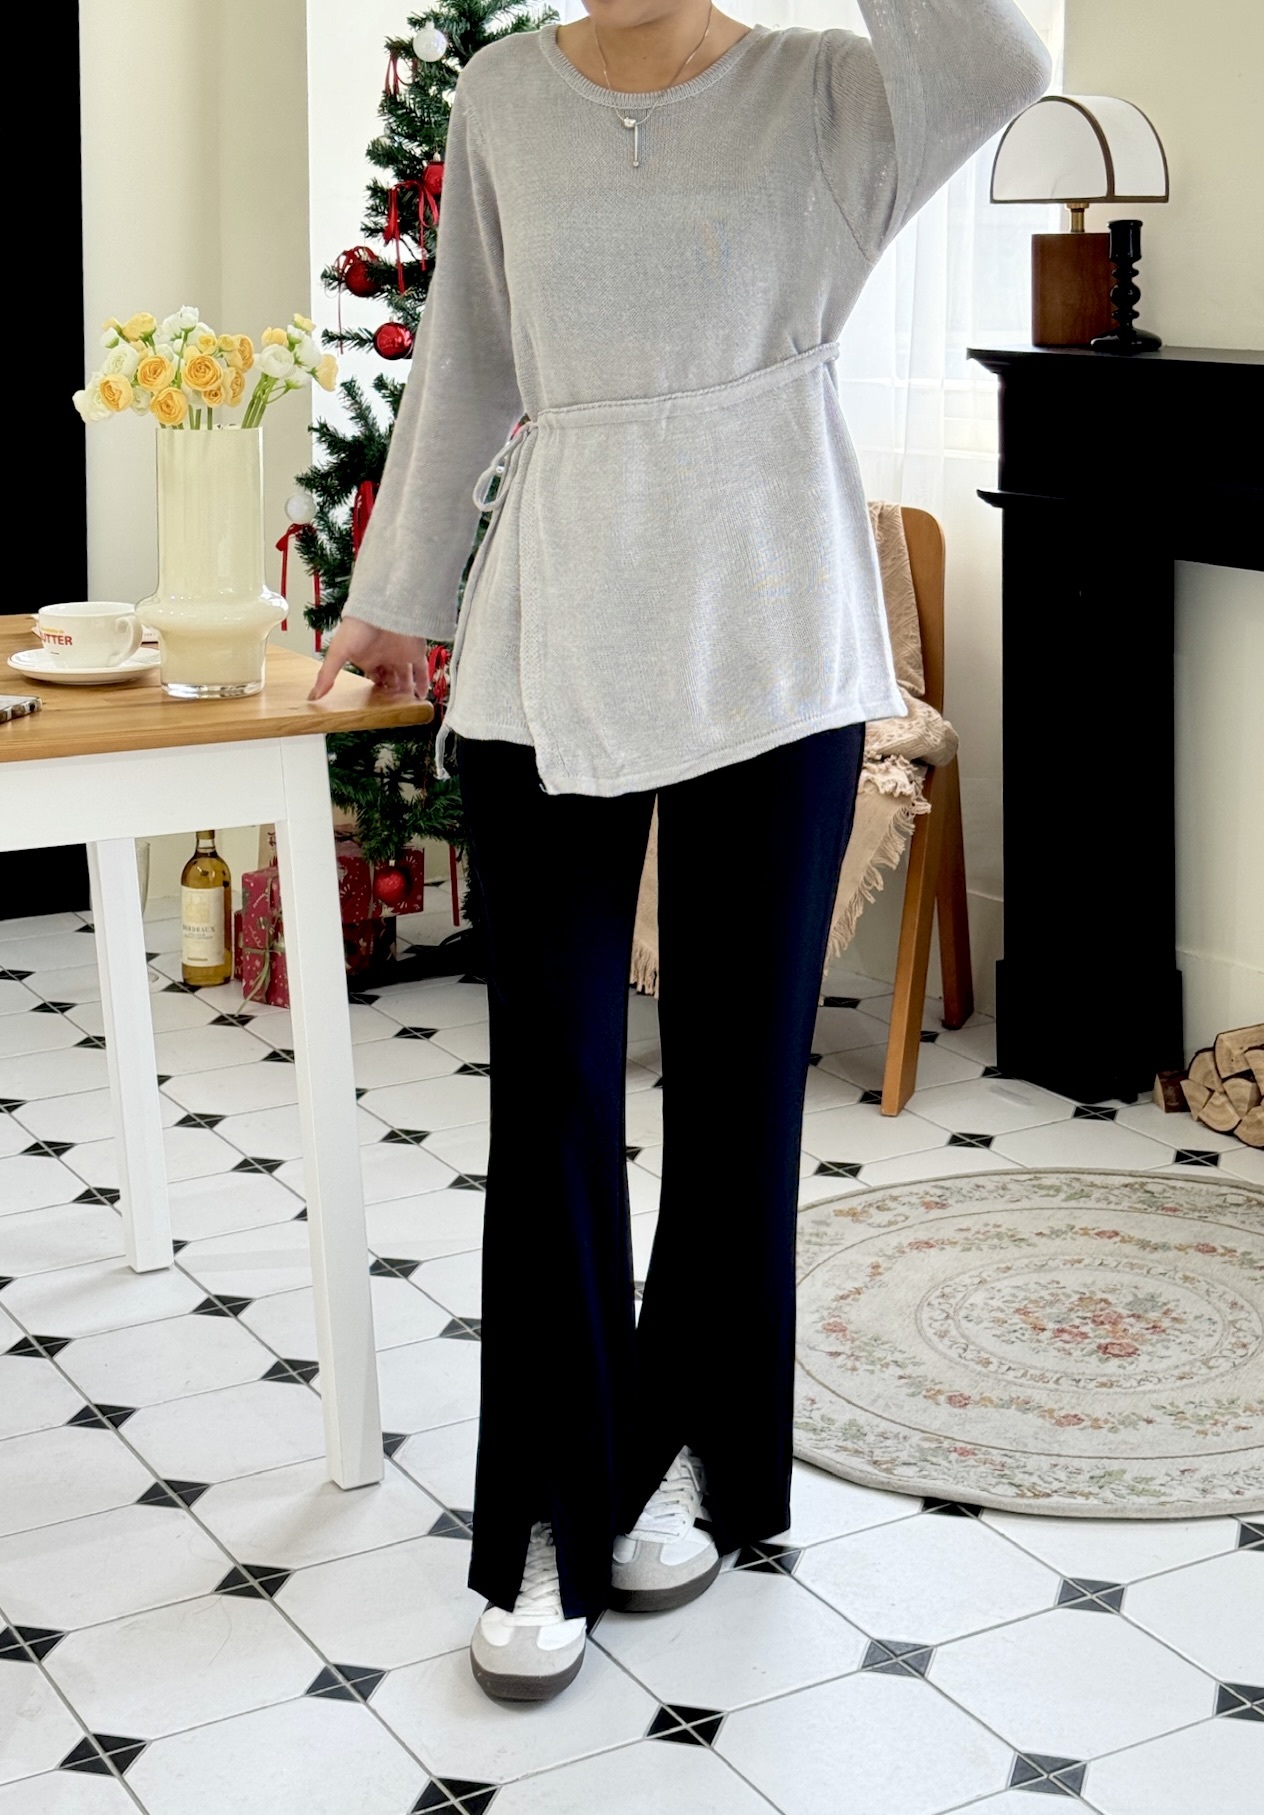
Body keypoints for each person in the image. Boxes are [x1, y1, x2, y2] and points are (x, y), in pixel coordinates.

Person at [310, 0, 1051, 1703]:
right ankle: (548, 1521)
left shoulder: (831, 92)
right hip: (553, 632)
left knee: (732, 1090)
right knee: (556, 1089)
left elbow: (1006, 65)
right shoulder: (503, 93)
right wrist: (396, 594)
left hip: (773, 633)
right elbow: (466, 355)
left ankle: (685, 1464)